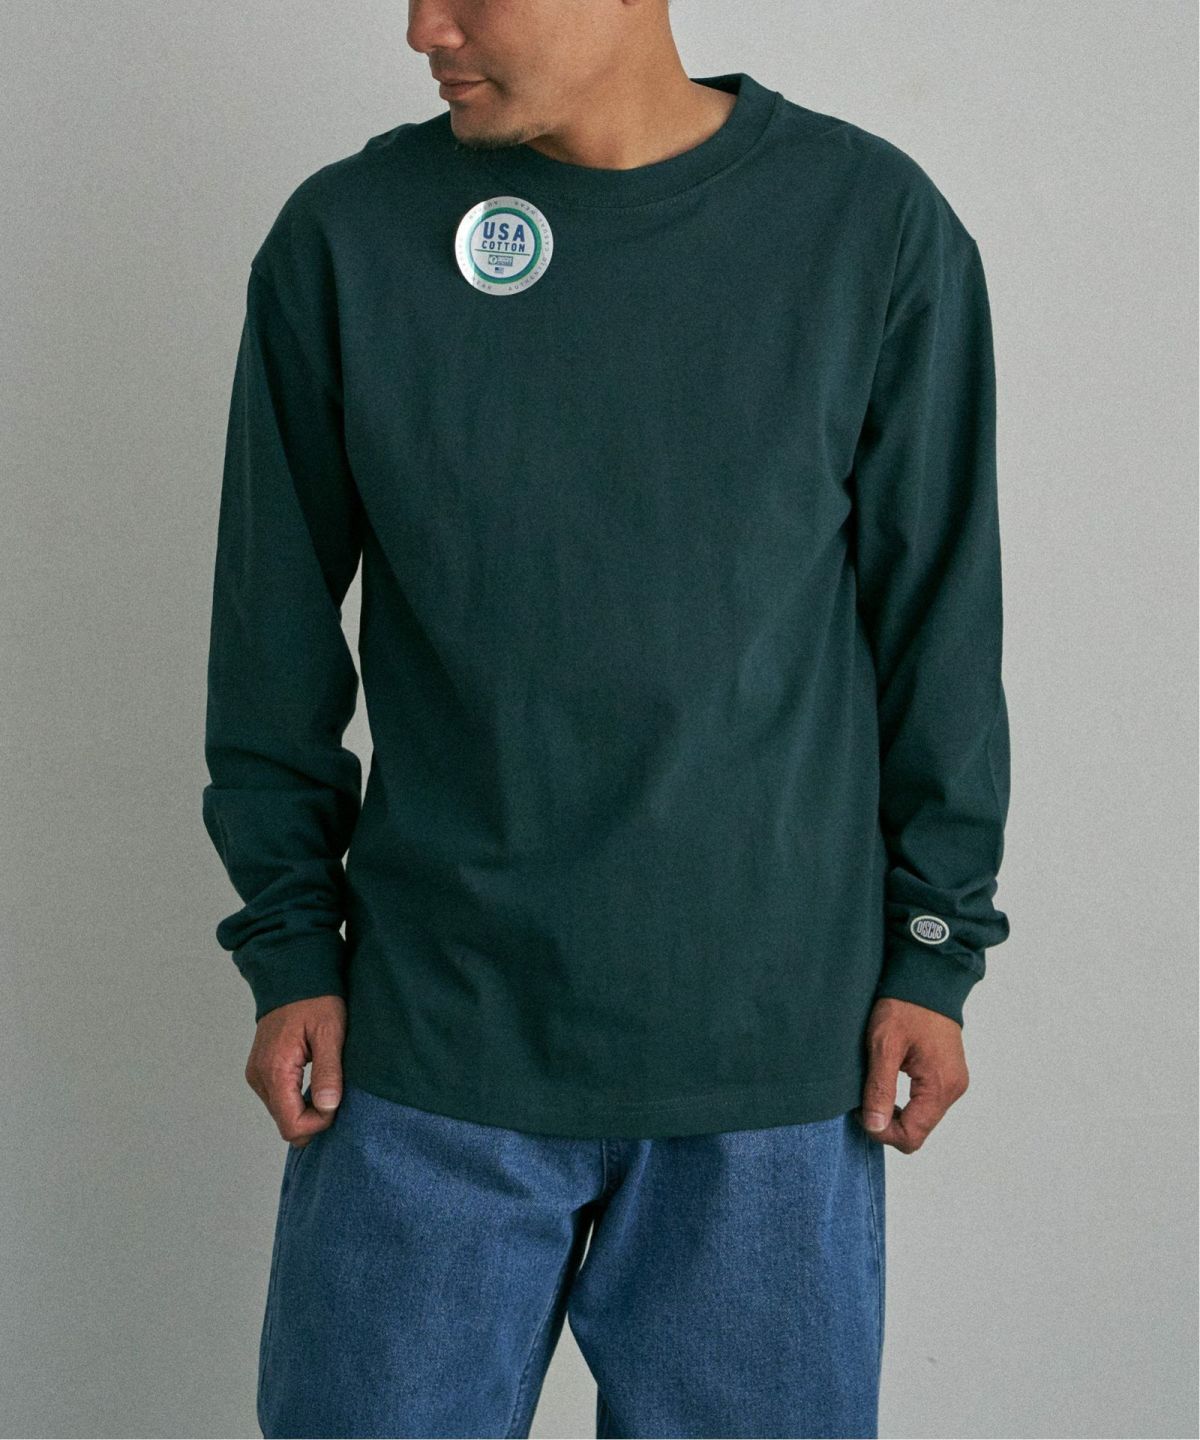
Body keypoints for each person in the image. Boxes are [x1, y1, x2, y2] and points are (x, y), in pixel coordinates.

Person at [201, 2, 1011, 1435]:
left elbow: (937, 628)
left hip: (771, 1057)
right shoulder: (347, 240)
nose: (422, 25)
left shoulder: (868, 227)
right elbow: (268, 645)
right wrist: (287, 947)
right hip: (427, 1049)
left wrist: (935, 948)